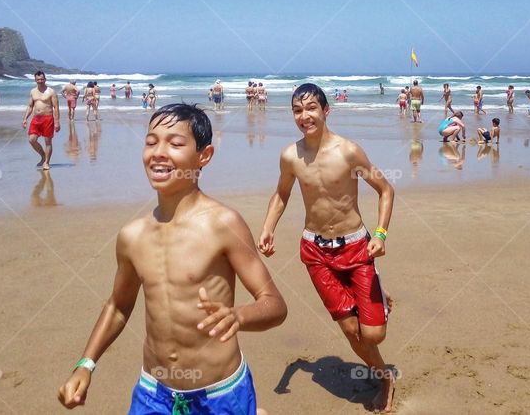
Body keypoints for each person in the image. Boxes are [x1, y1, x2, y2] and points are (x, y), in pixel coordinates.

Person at [58, 103, 288, 414]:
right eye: (151, 142)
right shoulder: (132, 236)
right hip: (154, 392)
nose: (159, 152)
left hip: (220, 393)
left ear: (203, 156)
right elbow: (118, 305)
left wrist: (239, 316)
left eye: (176, 143)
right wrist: (86, 364)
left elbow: (274, 304)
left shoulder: (223, 224)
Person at [256, 84, 396, 412]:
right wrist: (267, 228)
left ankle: (378, 293)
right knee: (350, 330)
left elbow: (386, 189)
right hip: (315, 251)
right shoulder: (290, 156)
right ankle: (385, 377)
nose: (304, 116)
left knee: (372, 334)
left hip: (357, 248)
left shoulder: (349, 152)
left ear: (326, 110)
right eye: (297, 110)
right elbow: (281, 194)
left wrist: (380, 234)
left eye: (311, 109)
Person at [22, 71, 60, 170]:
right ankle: (43, 156)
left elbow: (56, 107)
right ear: (35, 80)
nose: (40, 81)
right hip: (36, 119)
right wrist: (25, 118)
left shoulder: (51, 92)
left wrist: (57, 122)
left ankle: (46, 162)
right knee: (32, 140)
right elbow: (30, 106)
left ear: (45, 79)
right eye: (38, 79)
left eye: (42, 79)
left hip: (48, 118)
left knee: (48, 142)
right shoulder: (33, 91)